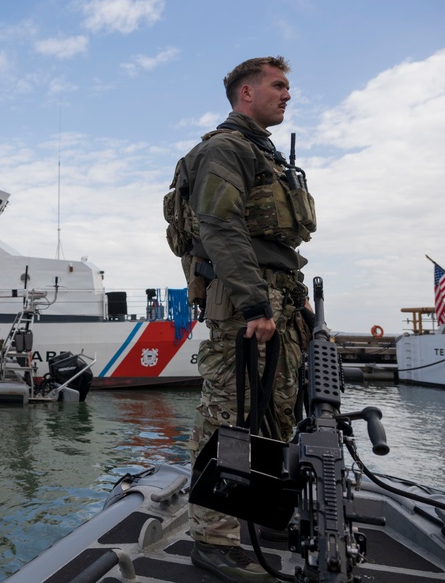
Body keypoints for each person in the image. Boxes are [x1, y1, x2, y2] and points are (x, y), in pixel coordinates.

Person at [179, 56, 316, 583]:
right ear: (245, 94)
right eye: (278, 86)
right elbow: (220, 226)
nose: (287, 95)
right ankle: (213, 541)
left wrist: (294, 301)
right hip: (246, 308)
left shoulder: (266, 156)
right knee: (229, 417)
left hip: (277, 301)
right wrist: (256, 305)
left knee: (275, 413)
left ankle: (261, 514)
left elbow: (276, 246)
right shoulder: (225, 150)